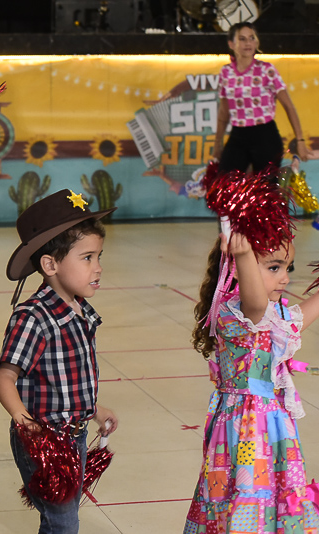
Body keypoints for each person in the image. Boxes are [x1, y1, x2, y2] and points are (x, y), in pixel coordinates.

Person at [0, 189, 119, 534]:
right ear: (50, 265)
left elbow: (67, 381)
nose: (98, 267)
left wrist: (93, 409)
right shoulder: (33, 317)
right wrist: (26, 424)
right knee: (62, 522)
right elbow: (4, 379)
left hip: (74, 436)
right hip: (45, 439)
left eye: (99, 256)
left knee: (63, 517)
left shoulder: (80, 311)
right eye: (87, 258)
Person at [184, 231, 319, 532]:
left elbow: (299, 318)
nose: (285, 278)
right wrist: (244, 254)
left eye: (288, 267)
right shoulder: (236, 311)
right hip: (246, 425)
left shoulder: (272, 313)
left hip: (272, 424)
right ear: (237, 267)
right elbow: (256, 304)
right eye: (274, 267)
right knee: (247, 497)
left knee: (273, 497)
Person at [213, 22, 309, 175]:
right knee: (225, 183)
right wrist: (217, 143)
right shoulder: (226, 72)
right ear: (231, 44)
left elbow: (289, 106)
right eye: (242, 39)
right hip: (238, 135)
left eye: (252, 38)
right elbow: (224, 113)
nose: (248, 43)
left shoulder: (267, 70)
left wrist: (300, 140)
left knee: (265, 187)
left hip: (265, 136)